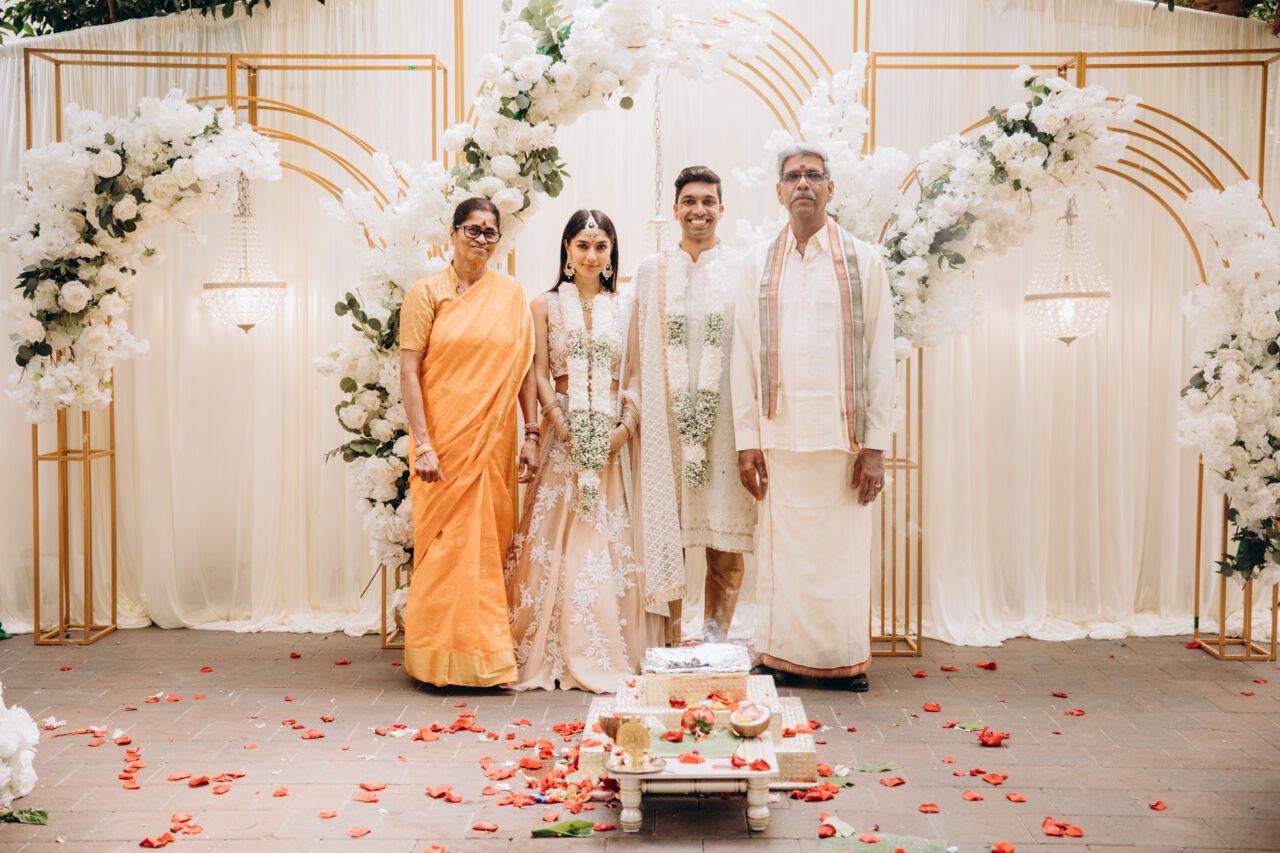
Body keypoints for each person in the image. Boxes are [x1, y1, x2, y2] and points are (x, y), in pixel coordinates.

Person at [729, 143, 895, 691]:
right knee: (783, 555)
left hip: (842, 441)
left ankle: (843, 659)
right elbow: (743, 355)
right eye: (793, 176)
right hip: (778, 437)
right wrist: (747, 440)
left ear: (830, 189)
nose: (803, 183)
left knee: (840, 555)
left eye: (813, 175)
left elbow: (880, 356)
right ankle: (781, 655)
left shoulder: (864, 261)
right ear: (779, 192)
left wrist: (875, 446)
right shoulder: (757, 262)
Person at [505, 209, 664, 692]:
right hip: (564, 432)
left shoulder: (627, 306)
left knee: (605, 536)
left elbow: (635, 372)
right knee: (558, 538)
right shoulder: (544, 305)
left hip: (613, 436)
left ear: (612, 252)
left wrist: (625, 427)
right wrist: (558, 421)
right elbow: (537, 371)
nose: (591, 255)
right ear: (567, 250)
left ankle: (606, 647)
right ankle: (550, 645)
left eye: (600, 246)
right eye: (582, 245)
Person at [398, 197, 541, 688]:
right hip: (441, 443)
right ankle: (435, 657)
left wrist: (532, 433)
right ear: (453, 233)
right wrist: (423, 444)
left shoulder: (510, 295)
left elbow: (523, 371)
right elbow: (409, 373)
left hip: (492, 443)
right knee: (445, 548)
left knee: (485, 547)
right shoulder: (426, 293)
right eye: (473, 230)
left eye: (489, 232)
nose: (481, 239)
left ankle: (486, 657)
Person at [632, 166, 757, 644]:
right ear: (675, 210)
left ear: (721, 209)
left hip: (726, 423)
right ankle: (668, 645)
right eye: (689, 201)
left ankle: (714, 643)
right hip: (666, 424)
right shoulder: (652, 272)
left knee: (724, 539)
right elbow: (638, 349)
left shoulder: (744, 268)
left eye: (707, 201)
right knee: (669, 538)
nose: (698, 210)